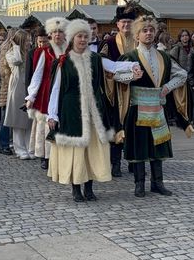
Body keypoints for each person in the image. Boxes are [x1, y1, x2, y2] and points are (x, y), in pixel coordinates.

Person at [47, 19, 140, 202]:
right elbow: (56, 89)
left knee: (91, 149)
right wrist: (52, 114)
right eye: (79, 36)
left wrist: (132, 66)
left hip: (93, 109)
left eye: (85, 36)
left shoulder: (96, 59)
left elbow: (113, 66)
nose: (82, 39)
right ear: (72, 39)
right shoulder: (63, 62)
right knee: (76, 150)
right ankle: (76, 189)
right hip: (71, 109)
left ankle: (89, 188)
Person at [118, 16, 188, 197]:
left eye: (151, 30)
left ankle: (157, 183)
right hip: (137, 107)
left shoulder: (164, 56)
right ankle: (139, 183)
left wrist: (167, 87)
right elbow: (115, 77)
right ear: (137, 35)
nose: (148, 33)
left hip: (157, 107)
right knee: (140, 146)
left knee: (158, 145)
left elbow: (182, 75)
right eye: (144, 31)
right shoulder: (130, 57)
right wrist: (131, 77)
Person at [100, 6, 137, 177]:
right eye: (124, 22)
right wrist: (122, 76)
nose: (127, 25)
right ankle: (115, 163)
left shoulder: (139, 42)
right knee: (116, 126)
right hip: (115, 92)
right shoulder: (109, 43)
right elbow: (103, 65)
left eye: (130, 22)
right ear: (118, 24)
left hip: (136, 91)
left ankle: (133, 161)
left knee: (135, 127)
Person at [27, 17, 68, 167]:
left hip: (65, 90)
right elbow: (37, 74)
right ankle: (46, 156)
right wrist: (31, 94)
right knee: (46, 123)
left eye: (60, 32)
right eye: (55, 32)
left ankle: (62, 154)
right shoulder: (45, 52)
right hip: (46, 90)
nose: (57, 35)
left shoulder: (71, 50)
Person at [4, 29, 34, 158]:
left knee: (29, 119)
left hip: (29, 86)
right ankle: (20, 149)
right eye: (26, 40)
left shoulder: (31, 53)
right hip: (17, 87)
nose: (29, 42)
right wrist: (16, 47)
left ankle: (30, 148)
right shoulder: (11, 53)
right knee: (18, 120)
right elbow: (17, 61)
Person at [0, 31, 14, 155]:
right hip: (7, 87)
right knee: (5, 117)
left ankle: (9, 142)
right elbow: (4, 71)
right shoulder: (6, 48)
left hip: (12, 87)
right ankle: (4, 144)